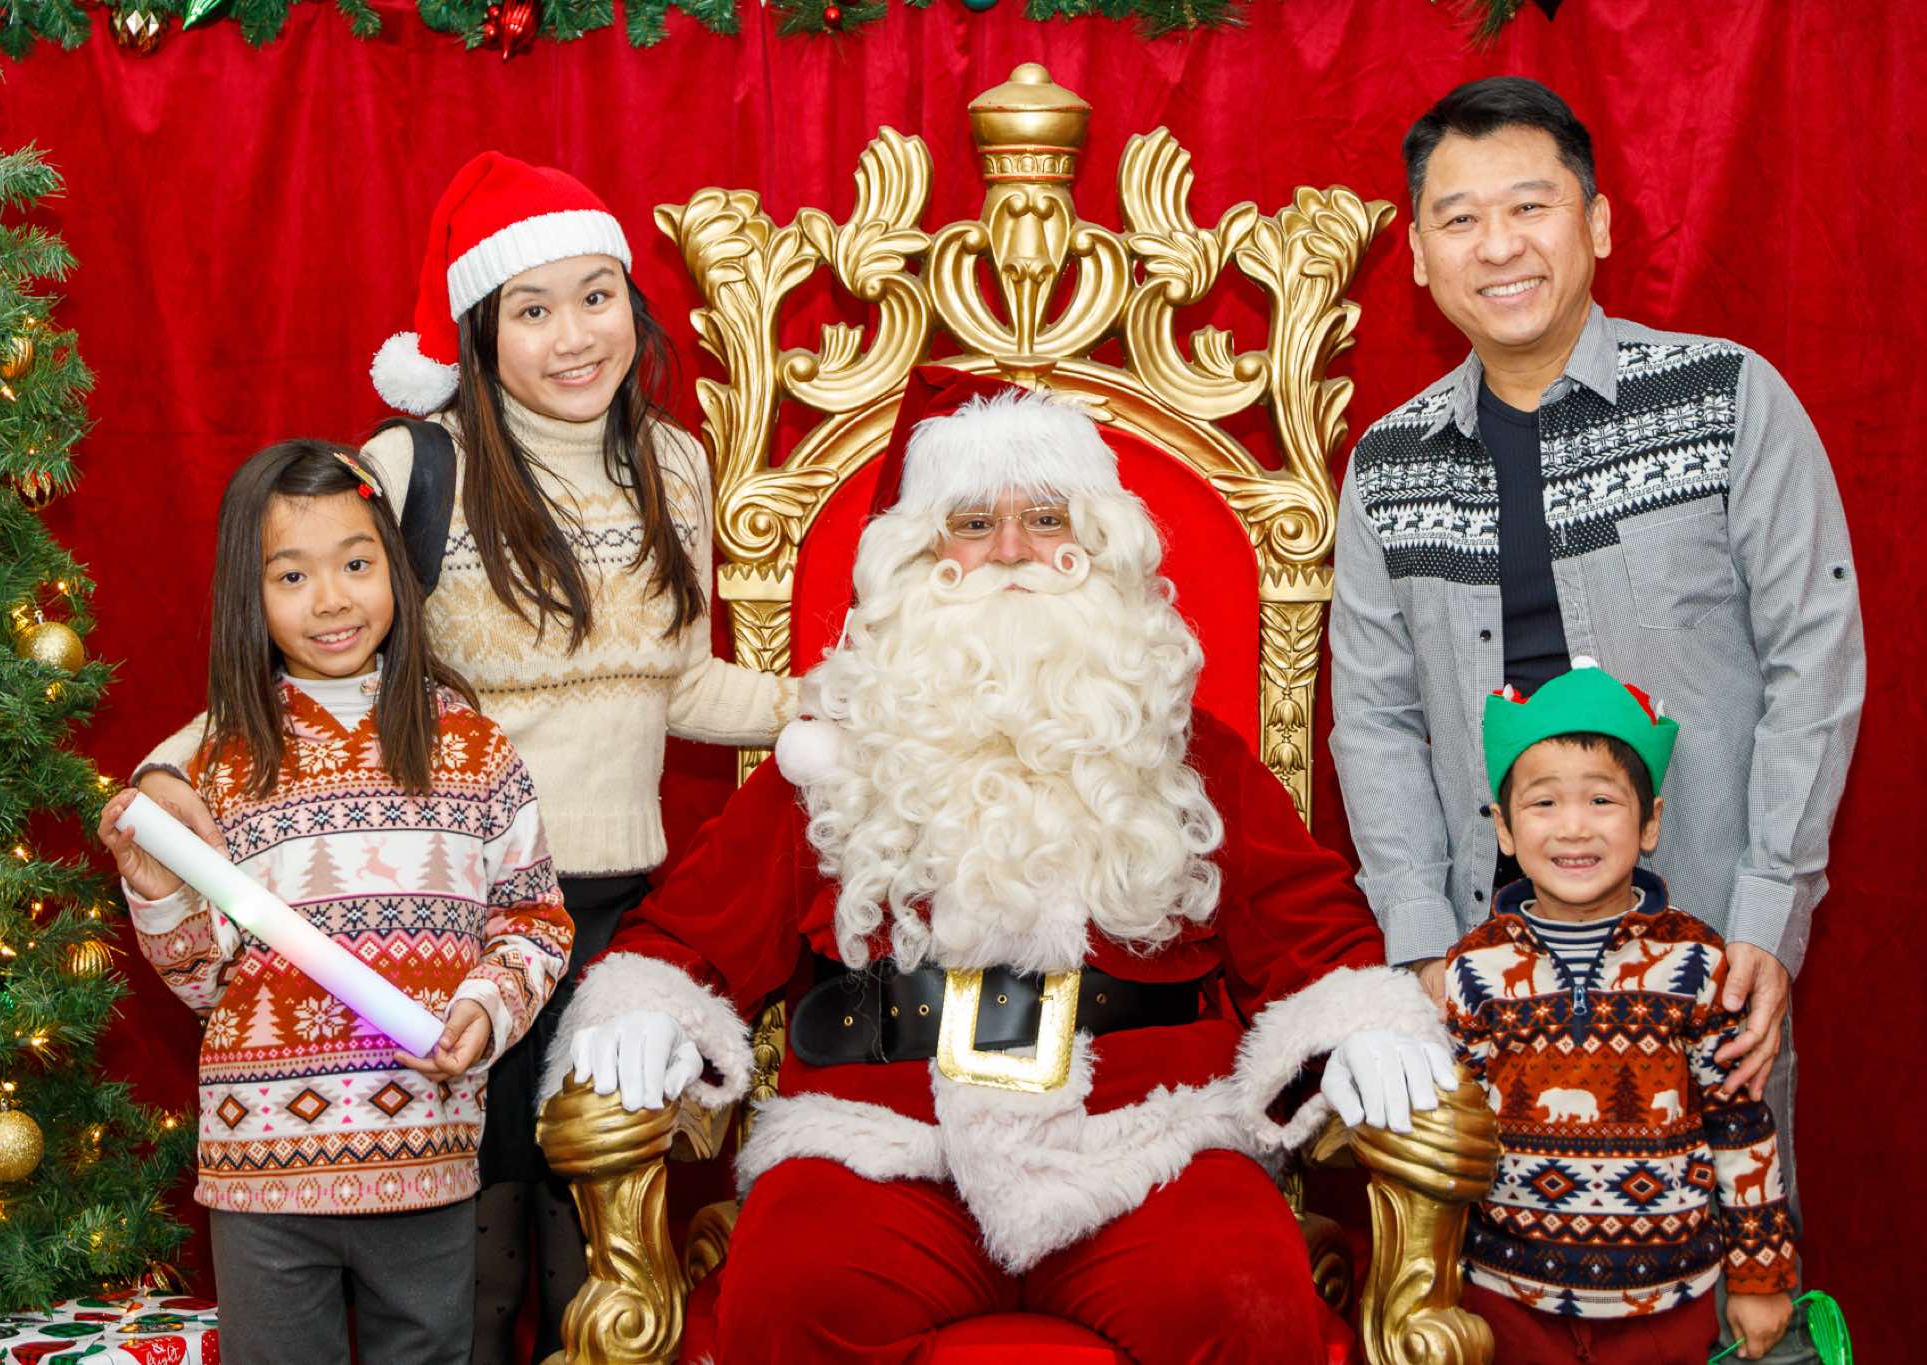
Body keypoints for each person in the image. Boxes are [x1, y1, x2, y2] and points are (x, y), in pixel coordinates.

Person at [543, 369, 1458, 1364]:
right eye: (974, 523)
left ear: (1098, 544)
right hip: (882, 1146)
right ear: (918, 555)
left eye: (1046, 519)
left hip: (1143, 1144)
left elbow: (1308, 925)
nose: (1013, 551)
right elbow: (689, 931)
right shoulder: (833, 756)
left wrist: (1363, 1019)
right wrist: (647, 1004)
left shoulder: (1182, 749)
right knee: (790, 1291)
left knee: (1243, 1295)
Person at [133, 152, 797, 1360]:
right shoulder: (413, 465)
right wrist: (165, 776)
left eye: (596, 297)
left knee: (596, 1251)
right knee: (469, 1280)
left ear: (634, 304)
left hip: (619, 925)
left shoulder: (676, 465)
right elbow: (312, 644)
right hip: (453, 917)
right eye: (531, 310)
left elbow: (682, 683)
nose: (572, 336)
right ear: (480, 335)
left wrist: (832, 714)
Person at [1329, 76, 1861, 1358]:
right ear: (1417, 256)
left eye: (1529, 205)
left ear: (1597, 222)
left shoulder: (1725, 399)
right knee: (1498, 1307)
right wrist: (1418, 953)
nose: (1496, 246)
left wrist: (1765, 916)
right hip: (1485, 975)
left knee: (1733, 1289)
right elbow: (1372, 717)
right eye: (1457, 218)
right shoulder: (1388, 462)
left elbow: (1814, 657)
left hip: (1707, 951)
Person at [98, 440, 575, 1365]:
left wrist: (486, 1007)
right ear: (248, 594)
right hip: (264, 1173)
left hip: (423, 1157)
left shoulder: (474, 749)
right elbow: (207, 986)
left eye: (356, 564)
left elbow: (534, 919)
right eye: (292, 575)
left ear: (394, 566)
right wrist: (160, 898)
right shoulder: (214, 767)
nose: (330, 599)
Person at [1446, 660, 1797, 1362]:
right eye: (1544, 803)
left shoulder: (1697, 964)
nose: (1574, 827)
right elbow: (1453, 1129)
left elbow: (1740, 1125)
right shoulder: (1474, 970)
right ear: (1504, 829)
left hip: (1666, 1303)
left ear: (1650, 821)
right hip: (1508, 1297)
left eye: (1602, 799)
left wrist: (1760, 1275)